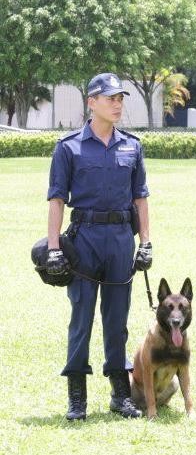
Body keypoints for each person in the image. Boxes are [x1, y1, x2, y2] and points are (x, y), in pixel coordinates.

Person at [46, 73, 152, 421]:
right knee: (81, 318)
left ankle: (120, 395)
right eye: (110, 98)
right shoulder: (69, 146)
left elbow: (140, 199)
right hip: (84, 239)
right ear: (91, 102)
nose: (118, 103)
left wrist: (146, 243)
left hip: (121, 239)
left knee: (117, 319)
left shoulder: (132, 146)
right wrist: (53, 248)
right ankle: (77, 397)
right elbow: (57, 200)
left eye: (120, 98)